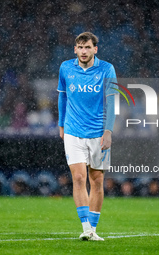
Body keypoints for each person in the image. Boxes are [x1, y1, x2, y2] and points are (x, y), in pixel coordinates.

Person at [57, 32, 117, 241]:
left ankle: (92, 227)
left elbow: (112, 102)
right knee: (79, 177)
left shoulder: (107, 69)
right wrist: (61, 124)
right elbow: (62, 97)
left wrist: (108, 131)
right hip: (73, 131)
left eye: (87, 47)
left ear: (95, 49)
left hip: (98, 133)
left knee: (97, 180)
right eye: (80, 47)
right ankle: (86, 228)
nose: (83, 51)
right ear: (75, 49)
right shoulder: (66, 68)